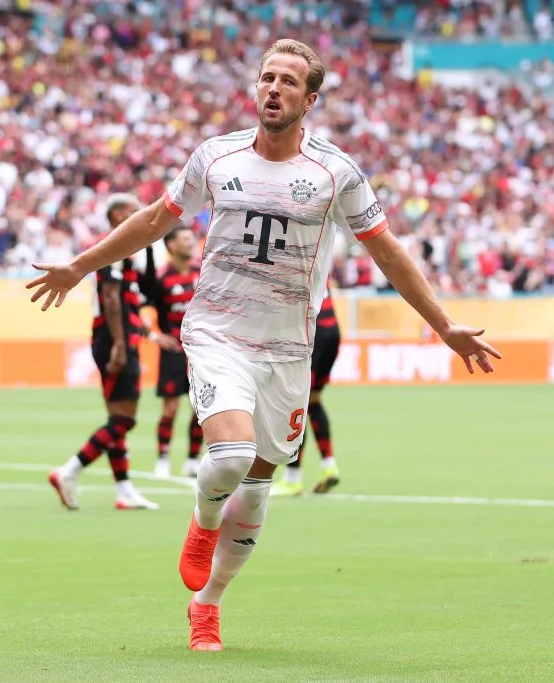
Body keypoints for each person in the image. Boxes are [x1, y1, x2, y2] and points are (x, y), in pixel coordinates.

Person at [26, 39, 501, 651]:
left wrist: (444, 325)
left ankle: (208, 603)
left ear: (310, 100)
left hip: (288, 349)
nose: (273, 88)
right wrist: (78, 266)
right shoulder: (215, 156)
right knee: (229, 456)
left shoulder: (336, 174)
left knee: (255, 488)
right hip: (218, 333)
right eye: (266, 77)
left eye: (288, 81)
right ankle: (202, 522)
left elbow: (388, 253)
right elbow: (153, 221)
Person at [47, 193, 180, 511]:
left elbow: (139, 295)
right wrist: (120, 344)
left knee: (117, 417)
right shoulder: (113, 249)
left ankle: (124, 490)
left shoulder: (128, 252)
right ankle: (69, 471)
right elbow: (110, 298)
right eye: (134, 211)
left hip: (118, 336)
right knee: (124, 419)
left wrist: (150, 246)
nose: (141, 216)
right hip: (114, 339)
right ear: (118, 215)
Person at [270, 285, 341, 497]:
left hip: (313, 333)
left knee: (296, 403)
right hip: (332, 330)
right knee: (314, 400)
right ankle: (329, 465)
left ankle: (293, 479)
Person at [147, 225, 203, 479]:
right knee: (170, 410)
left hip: (201, 352)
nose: (190, 242)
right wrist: (154, 336)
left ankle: (192, 460)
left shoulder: (201, 271)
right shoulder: (161, 277)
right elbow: (139, 308)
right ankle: (162, 459)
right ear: (171, 245)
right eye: (185, 239)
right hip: (174, 352)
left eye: (192, 238)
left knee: (200, 408)